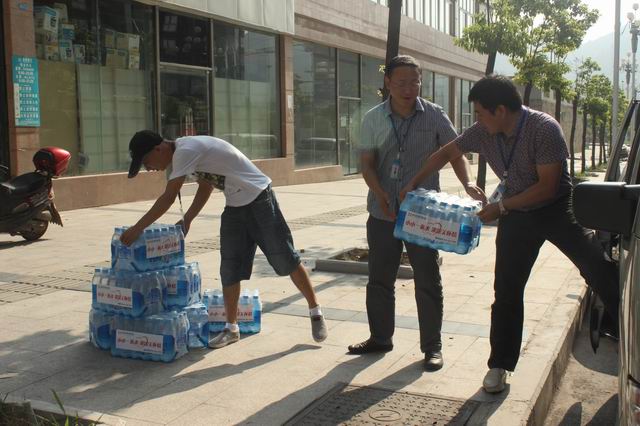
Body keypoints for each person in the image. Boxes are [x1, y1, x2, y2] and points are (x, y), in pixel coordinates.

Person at [401, 75, 619, 392]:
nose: (476, 120)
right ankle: (500, 366)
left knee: (598, 267)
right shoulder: (483, 131)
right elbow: (446, 153)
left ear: (500, 110)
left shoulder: (544, 129)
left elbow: (547, 187)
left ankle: (627, 333)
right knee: (506, 291)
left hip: (557, 209)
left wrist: (500, 207)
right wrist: (414, 181)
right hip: (517, 216)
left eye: (480, 113)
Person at [120, 130, 328, 348]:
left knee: (284, 258)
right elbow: (206, 186)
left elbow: (169, 197)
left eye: (146, 161)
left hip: (259, 197)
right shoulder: (185, 151)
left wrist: (138, 229)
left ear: (158, 149)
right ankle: (231, 329)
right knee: (229, 267)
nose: (149, 168)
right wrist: (188, 219)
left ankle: (315, 312)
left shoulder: (184, 151)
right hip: (235, 205)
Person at [347, 55, 484, 371]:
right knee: (379, 280)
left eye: (414, 82)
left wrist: (467, 183)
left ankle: (432, 347)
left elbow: (455, 153)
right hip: (382, 212)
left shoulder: (435, 115)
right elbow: (367, 164)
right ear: (388, 83)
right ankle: (380, 337)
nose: (408, 89)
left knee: (428, 280)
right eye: (401, 83)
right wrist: (380, 192)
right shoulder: (372, 118)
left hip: (423, 215)